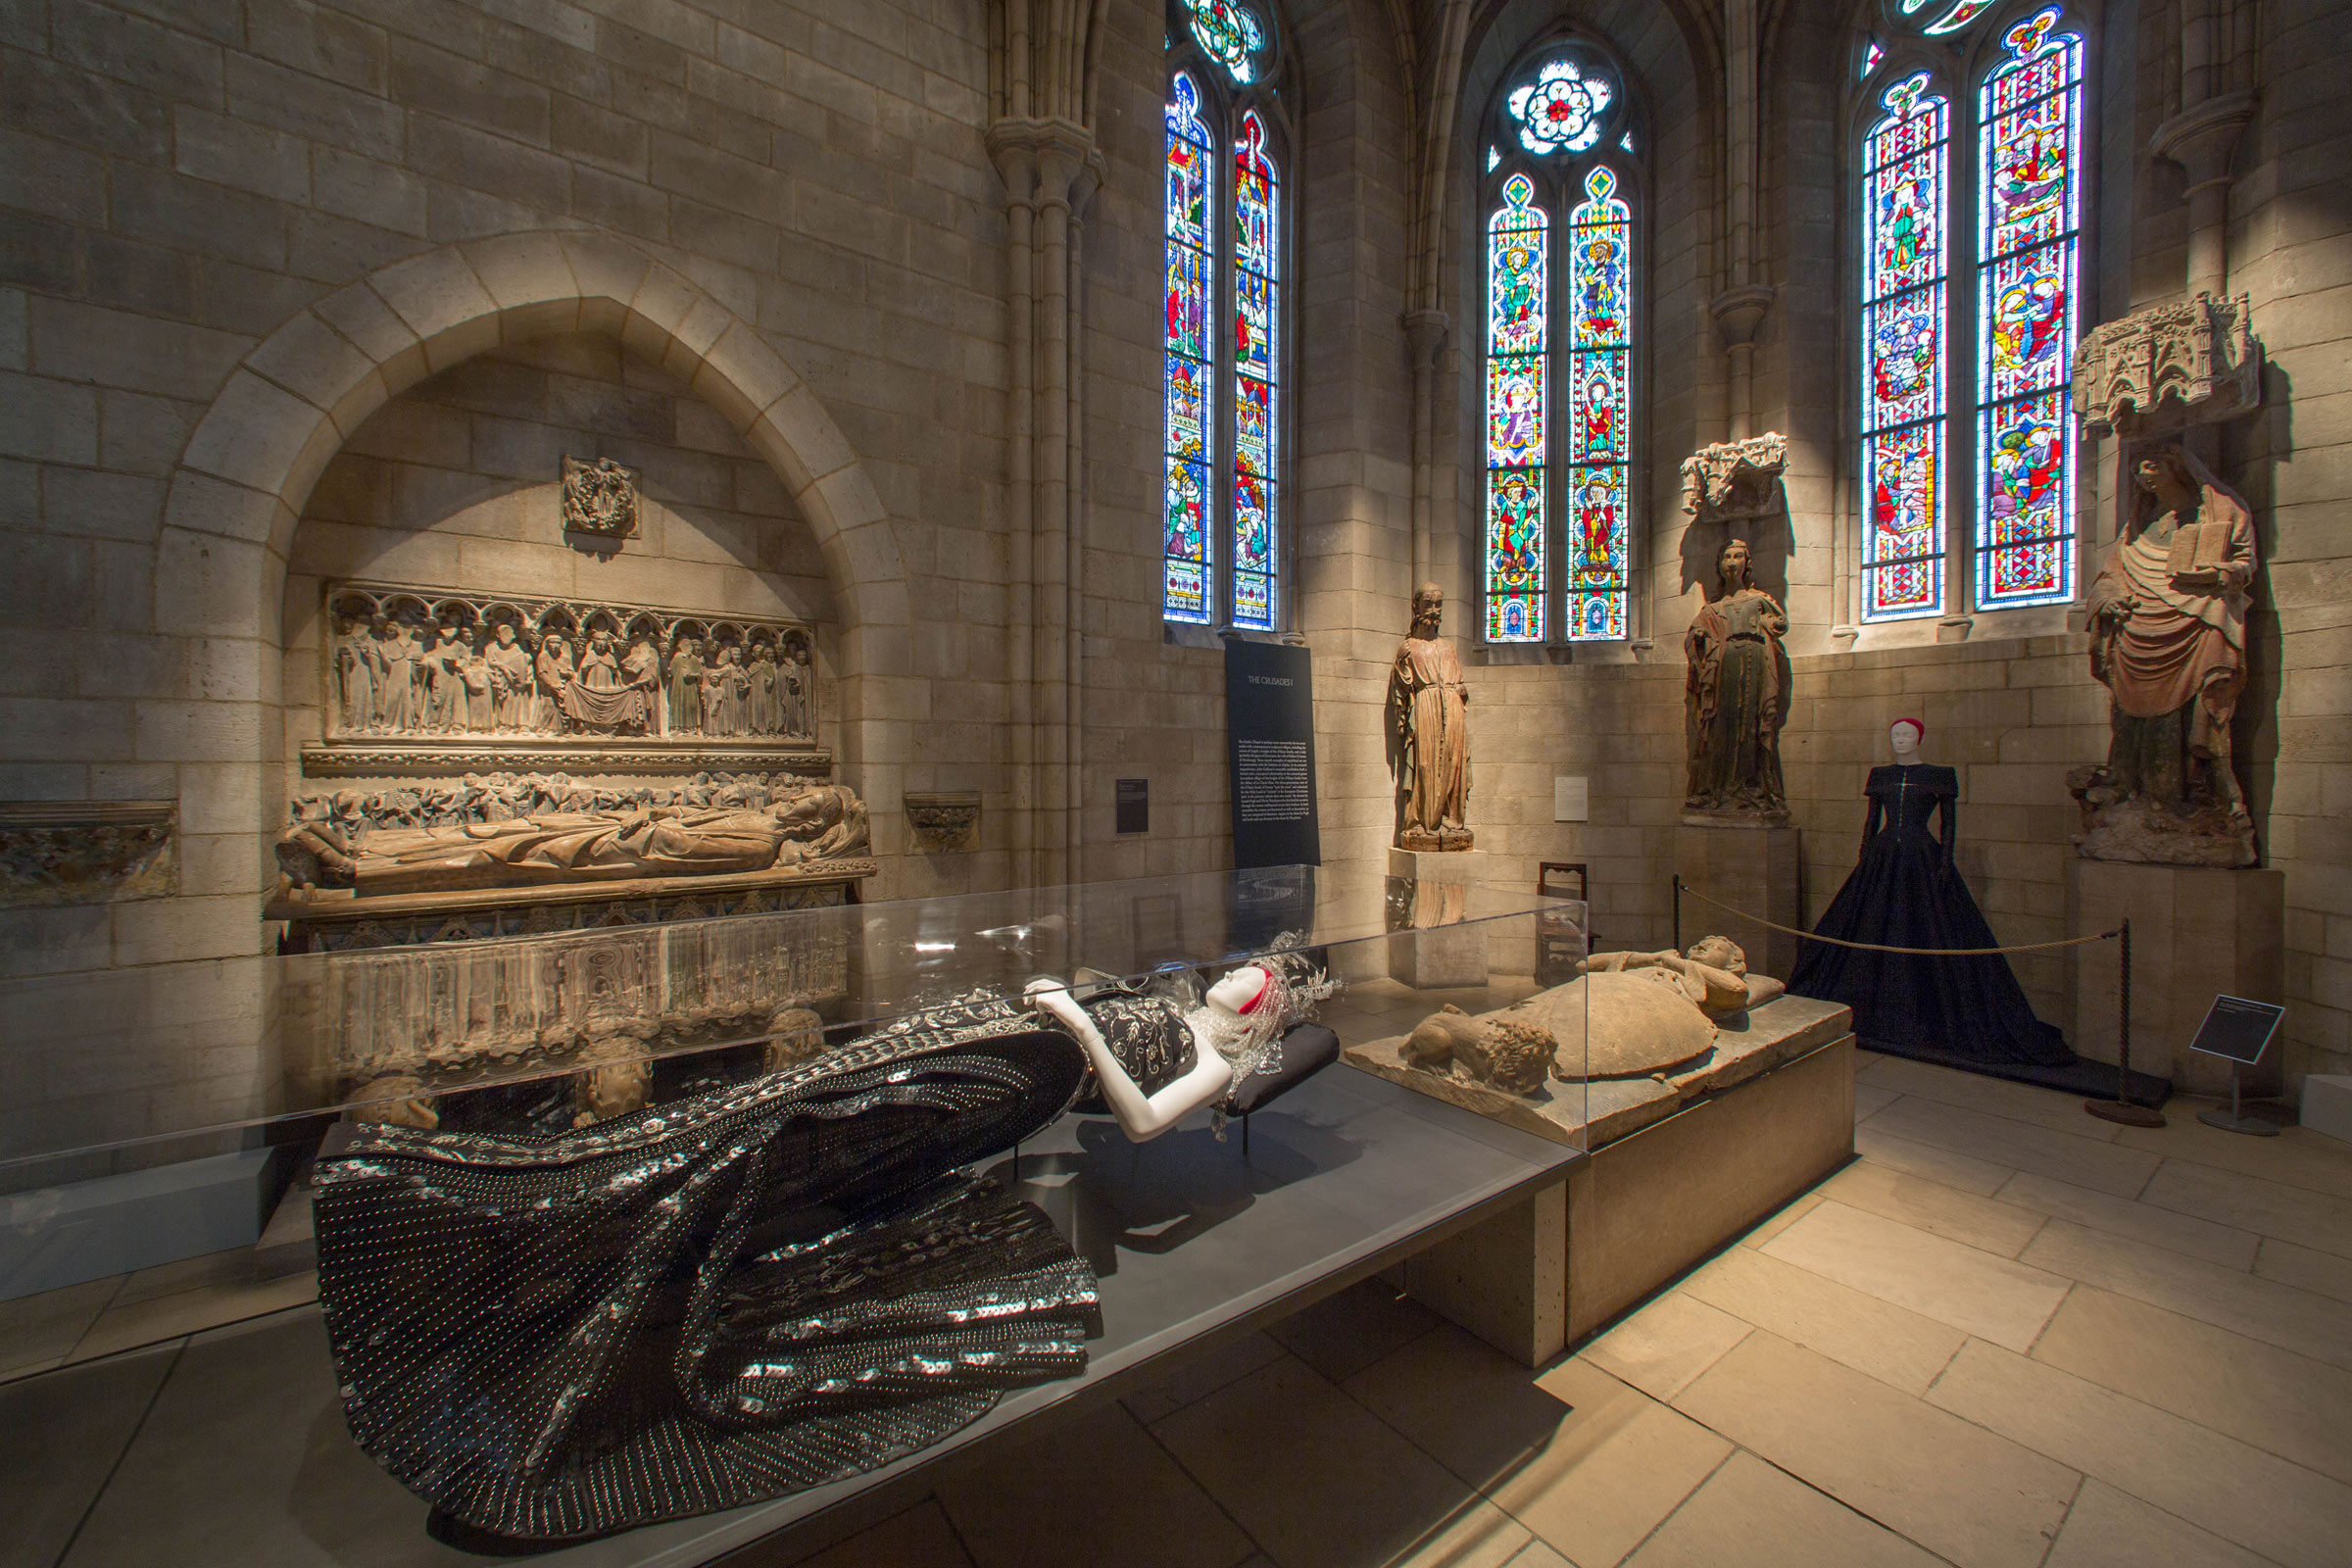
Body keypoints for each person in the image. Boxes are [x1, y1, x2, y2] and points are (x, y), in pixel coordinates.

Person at [1788, 717, 2072, 1068]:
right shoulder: (1881, 775)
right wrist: (1864, 856)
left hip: (1921, 855)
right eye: (1895, 735)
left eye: (1907, 735)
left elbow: (1948, 823)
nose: (1901, 740)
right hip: (1884, 855)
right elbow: (1871, 820)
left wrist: (1944, 862)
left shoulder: (1938, 775)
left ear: (1919, 737)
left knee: (1926, 924)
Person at [1684, 537, 1790, 818]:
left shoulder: (1759, 601)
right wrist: (1699, 639)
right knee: (1721, 728)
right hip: (1724, 669)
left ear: (1747, 563)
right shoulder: (1712, 609)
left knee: (1752, 727)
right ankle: (1717, 789)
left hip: (1754, 665)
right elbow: (1693, 644)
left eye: (1737, 557)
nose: (1732, 563)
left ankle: (1753, 787)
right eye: (1726, 557)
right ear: (1719, 565)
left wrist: (1771, 623)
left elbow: (1780, 624)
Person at [1387, 582, 1472, 850]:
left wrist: (1460, 691)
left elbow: (1459, 680)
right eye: (1428, 604)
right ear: (1416, 607)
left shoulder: (1449, 648)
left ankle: (1451, 820)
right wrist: (1401, 666)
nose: (1434, 610)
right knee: (1424, 764)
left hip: (1453, 706)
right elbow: (1401, 690)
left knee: (1453, 762)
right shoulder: (1409, 647)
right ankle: (1422, 822)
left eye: (1438, 604)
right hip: (1425, 707)